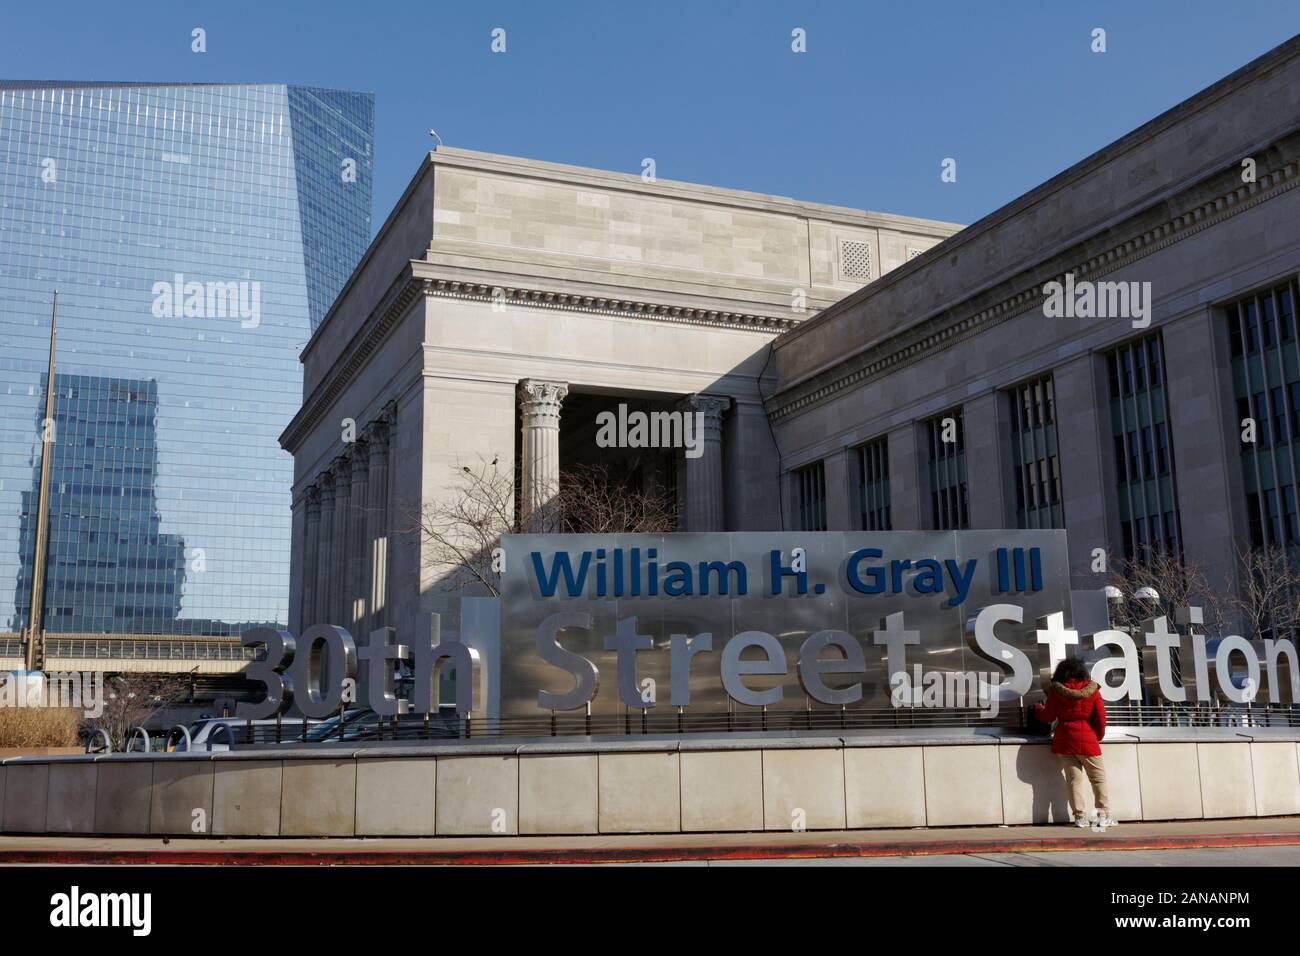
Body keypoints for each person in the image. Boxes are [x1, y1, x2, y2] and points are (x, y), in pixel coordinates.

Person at [1034, 658, 1116, 828]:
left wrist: (1037, 709)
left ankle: (1080, 817)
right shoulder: (1092, 690)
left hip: (1064, 739)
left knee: (1073, 780)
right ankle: (1103, 816)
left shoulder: (1056, 691)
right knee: (1098, 778)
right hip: (1087, 738)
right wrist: (1098, 736)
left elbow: (1047, 716)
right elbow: (1100, 717)